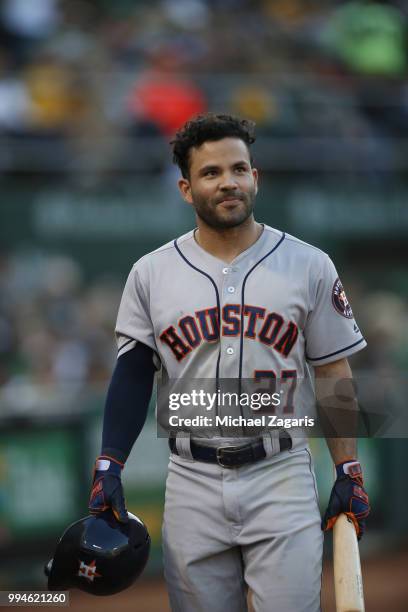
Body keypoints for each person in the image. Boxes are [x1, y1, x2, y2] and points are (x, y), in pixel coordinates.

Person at [88, 113, 370, 612]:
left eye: (239, 169)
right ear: (185, 187)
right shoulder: (151, 273)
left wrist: (347, 467)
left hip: (280, 475)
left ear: (255, 178)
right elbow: (133, 373)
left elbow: (332, 373)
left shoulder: (309, 264)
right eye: (211, 173)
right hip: (191, 482)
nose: (228, 183)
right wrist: (110, 461)